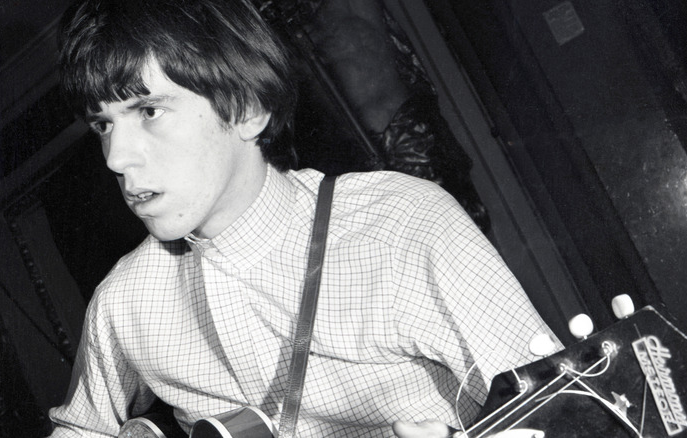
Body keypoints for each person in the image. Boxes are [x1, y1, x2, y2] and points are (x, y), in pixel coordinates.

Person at [48, 0, 560, 436]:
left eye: (149, 111)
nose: (115, 157)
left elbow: (566, 412)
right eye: (102, 124)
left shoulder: (410, 227)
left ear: (248, 109)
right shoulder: (124, 305)